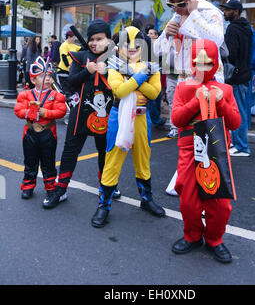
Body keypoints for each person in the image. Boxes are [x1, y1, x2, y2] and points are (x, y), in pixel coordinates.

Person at [171, 39, 241, 263]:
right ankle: (192, 235)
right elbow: (176, 119)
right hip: (190, 148)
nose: (202, 68)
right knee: (188, 201)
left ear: (216, 64)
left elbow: (235, 123)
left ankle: (214, 239)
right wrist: (195, 101)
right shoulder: (183, 88)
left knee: (220, 203)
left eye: (208, 63)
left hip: (216, 149)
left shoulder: (226, 90)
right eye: (198, 63)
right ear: (191, 63)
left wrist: (221, 103)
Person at [153, 0, 224, 193]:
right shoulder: (174, 17)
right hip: (184, 83)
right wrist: (166, 36)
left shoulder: (209, 12)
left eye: (180, 2)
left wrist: (192, 14)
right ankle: (185, 174)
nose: (175, 8)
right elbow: (157, 52)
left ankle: (206, 180)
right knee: (185, 131)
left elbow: (216, 40)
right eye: (170, 2)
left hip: (208, 82)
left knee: (206, 132)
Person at [92, 26, 165, 228]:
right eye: (127, 44)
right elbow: (120, 91)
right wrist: (141, 76)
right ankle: (103, 205)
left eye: (137, 44)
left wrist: (130, 73)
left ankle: (147, 199)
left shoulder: (150, 65)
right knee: (113, 160)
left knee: (143, 160)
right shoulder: (115, 66)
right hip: (119, 116)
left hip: (142, 118)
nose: (132, 48)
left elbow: (154, 94)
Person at [43, 19, 116, 210]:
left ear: (108, 40)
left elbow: (122, 86)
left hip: (106, 113)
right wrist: (87, 71)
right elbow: (70, 83)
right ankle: (61, 189)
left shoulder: (115, 58)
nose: (94, 43)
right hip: (80, 112)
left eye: (100, 39)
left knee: (104, 151)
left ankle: (106, 186)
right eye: (91, 39)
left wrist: (108, 72)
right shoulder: (79, 57)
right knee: (70, 151)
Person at [14, 56, 67, 202]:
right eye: (43, 76)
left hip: (48, 133)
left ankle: (51, 188)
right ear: (33, 80)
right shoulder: (25, 95)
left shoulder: (56, 95)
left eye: (50, 76)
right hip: (30, 133)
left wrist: (46, 113)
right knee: (30, 161)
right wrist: (28, 113)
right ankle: (28, 186)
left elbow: (61, 111)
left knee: (48, 162)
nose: (48, 79)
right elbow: (18, 110)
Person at [219, 0, 252, 157]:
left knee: (237, 112)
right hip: (245, 73)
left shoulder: (232, 29)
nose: (225, 12)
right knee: (240, 110)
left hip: (235, 76)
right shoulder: (247, 27)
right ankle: (237, 142)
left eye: (227, 10)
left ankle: (242, 147)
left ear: (236, 11)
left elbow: (230, 54)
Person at [146, 24, 166, 129]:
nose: (149, 35)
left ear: (157, 36)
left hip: (157, 73)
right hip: (147, 73)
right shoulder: (144, 45)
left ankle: (156, 119)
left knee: (157, 98)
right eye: (148, 33)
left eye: (152, 34)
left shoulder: (159, 47)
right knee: (153, 98)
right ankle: (156, 120)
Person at [56, 30, 81, 97]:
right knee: (65, 89)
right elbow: (63, 56)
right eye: (73, 37)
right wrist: (68, 66)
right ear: (69, 37)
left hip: (71, 70)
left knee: (71, 89)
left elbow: (81, 50)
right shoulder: (64, 45)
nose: (74, 39)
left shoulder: (74, 46)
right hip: (63, 69)